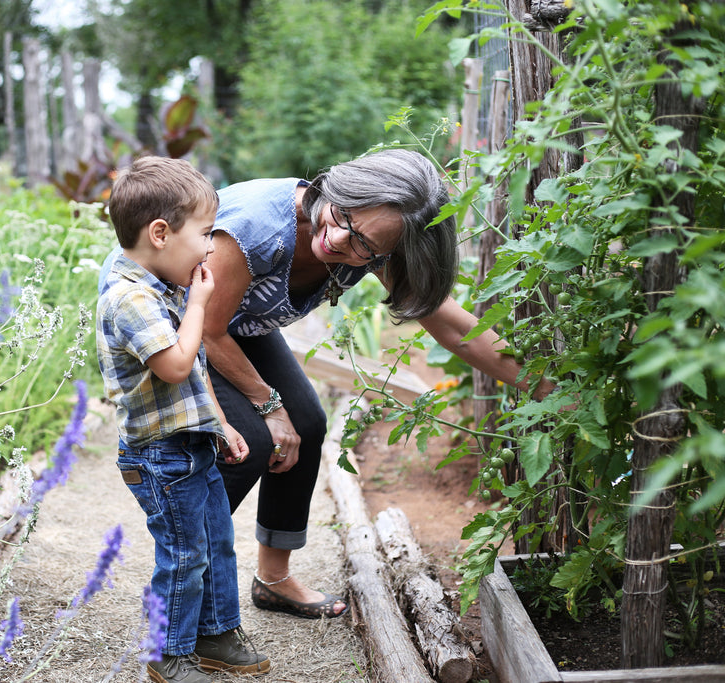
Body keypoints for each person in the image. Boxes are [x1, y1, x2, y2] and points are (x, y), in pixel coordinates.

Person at [201, 148, 554, 619]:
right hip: (171, 327)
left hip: (236, 327)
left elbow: (454, 330)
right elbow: (205, 329)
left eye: (365, 245)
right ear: (338, 189)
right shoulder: (260, 229)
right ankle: (186, 584)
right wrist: (268, 405)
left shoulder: (378, 242)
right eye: (342, 215)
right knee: (246, 439)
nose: (339, 239)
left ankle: (274, 579)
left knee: (305, 421)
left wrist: (544, 385)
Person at [96, 156, 271, 683]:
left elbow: (194, 372)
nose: (211, 247)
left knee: (216, 542)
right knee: (184, 551)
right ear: (160, 233)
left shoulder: (161, 286)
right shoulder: (130, 298)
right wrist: (199, 306)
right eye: (204, 233)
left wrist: (221, 424)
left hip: (190, 443)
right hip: (160, 455)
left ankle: (216, 632)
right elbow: (174, 364)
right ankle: (166, 653)